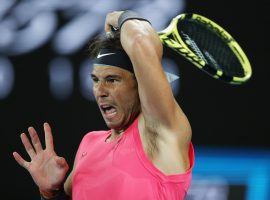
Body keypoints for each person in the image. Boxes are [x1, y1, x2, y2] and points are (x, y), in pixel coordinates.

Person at [13, 10, 194, 200]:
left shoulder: (160, 133)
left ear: (140, 84)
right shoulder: (89, 143)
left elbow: (141, 41)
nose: (100, 91)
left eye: (112, 79)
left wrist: (120, 16)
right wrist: (49, 193)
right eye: (95, 80)